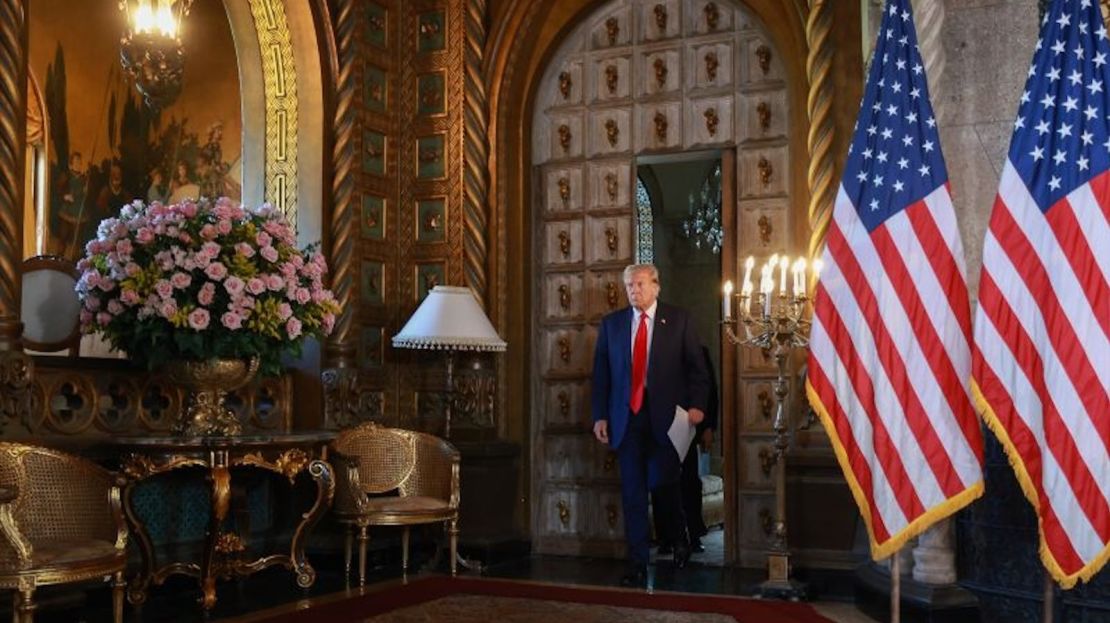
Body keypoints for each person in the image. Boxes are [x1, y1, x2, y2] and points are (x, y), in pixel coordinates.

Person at [591, 263, 710, 587]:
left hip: (667, 419)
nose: (634, 291)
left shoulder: (679, 320)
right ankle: (638, 564)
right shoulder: (612, 325)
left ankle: (680, 539)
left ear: (656, 286)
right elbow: (601, 374)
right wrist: (600, 415)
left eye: (640, 284)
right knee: (632, 492)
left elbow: (697, 370)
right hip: (626, 420)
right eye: (630, 285)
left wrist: (698, 407)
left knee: (663, 484)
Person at [654, 344, 718, 554]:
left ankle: (694, 534)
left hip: (688, 423)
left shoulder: (698, 349)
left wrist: (708, 426)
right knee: (660, 483)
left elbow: (709, 389)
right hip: (659, 423)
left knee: (689, 482)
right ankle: (666, 537)